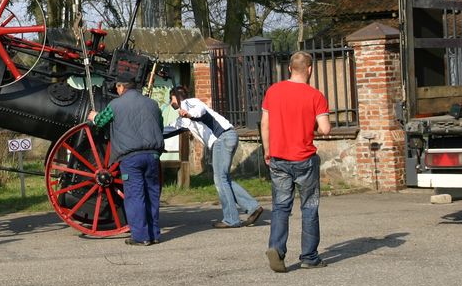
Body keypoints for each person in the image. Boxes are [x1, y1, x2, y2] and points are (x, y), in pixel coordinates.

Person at [261, 51, 331, 272]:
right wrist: (312, 125)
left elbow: (265, 124)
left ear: (290, 68)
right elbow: (325, 129)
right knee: (309, 206)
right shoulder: (315, 95)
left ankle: (276, 248)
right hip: (304, 159)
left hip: (278, 157)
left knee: (281, 207)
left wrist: (267, 150)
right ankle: (309, 257)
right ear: (310, 70)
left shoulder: (273, 91)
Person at [169, 86, 263, 229]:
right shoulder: (182, 119)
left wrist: (189, 113)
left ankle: (231, 219)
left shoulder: (190, 102)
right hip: (225, 138)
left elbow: (199, 111)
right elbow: (170, 128)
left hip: (222, 138)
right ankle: (252, 207)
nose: (171, 103)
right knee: (224, 178)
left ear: (177, 97)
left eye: (171, 99)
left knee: (220, 179)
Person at [87, 78, 165, 246]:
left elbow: (101, 121)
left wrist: (94, 116)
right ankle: (154, 235)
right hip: (152, 155)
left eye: (117, 88)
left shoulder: (116, 105)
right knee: (151, 195)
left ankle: (141, 237)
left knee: (135, 196)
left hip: (131, 158)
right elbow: (160, 126)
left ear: (121, 87)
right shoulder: (152, 104)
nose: (117, 91)